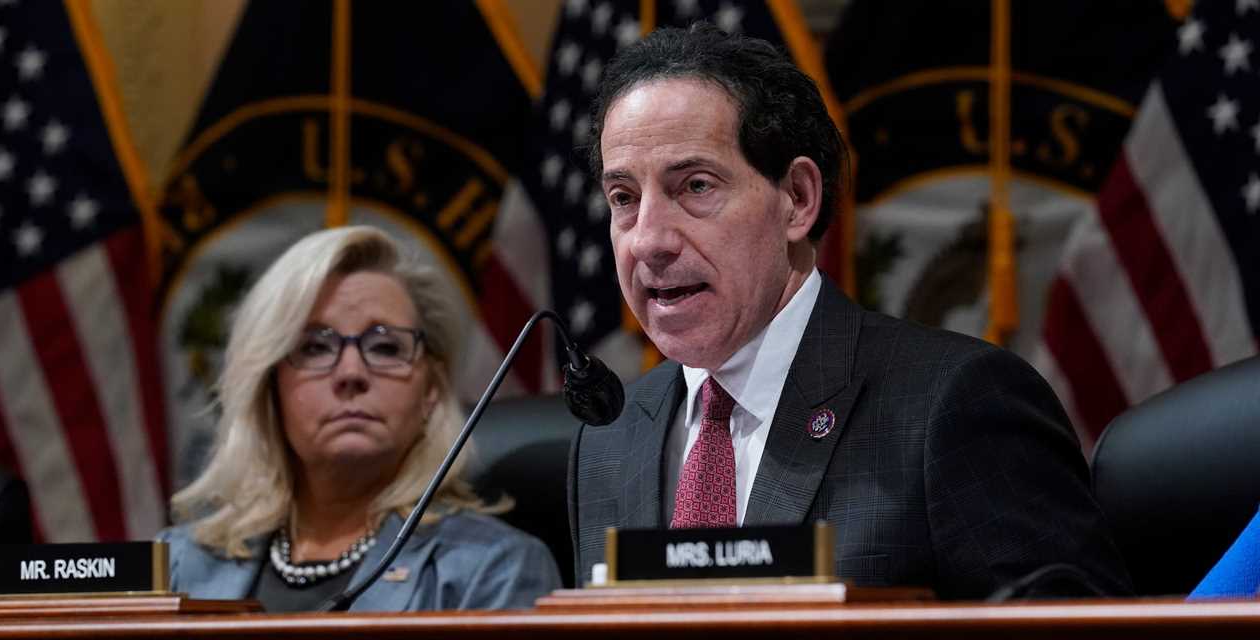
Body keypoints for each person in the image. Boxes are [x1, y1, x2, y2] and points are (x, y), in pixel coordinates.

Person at [568, 24, 1132, 600]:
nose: (648, 240)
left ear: (798, 199)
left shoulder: (953, 405)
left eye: (695, 186)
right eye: (624, 199)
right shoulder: (611, 440)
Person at [161, 226, 560, 612]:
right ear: (270, 388)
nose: (351, 372)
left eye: (385, 347)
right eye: (315, 347)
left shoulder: (493, 570)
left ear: (431, 391)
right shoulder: (177, 567)